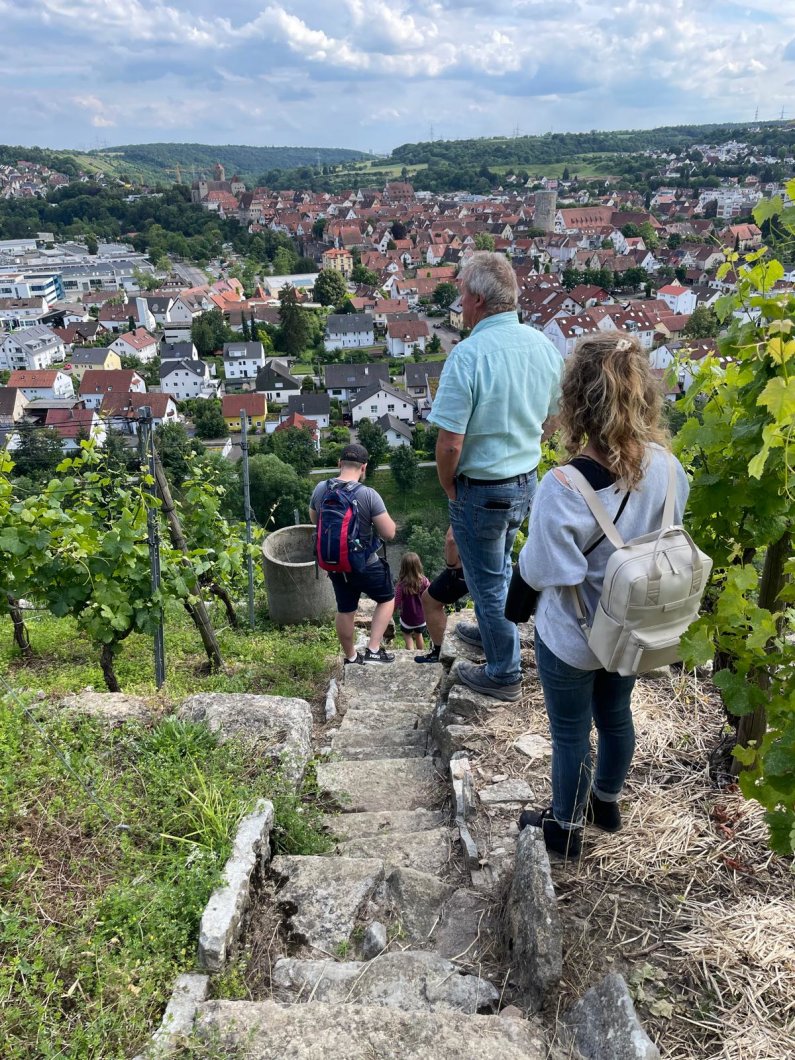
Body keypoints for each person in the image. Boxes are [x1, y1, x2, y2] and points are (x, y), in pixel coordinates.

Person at [516, 333, 689, 857]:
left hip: (575, 634)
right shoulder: (666, 467)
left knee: (571, 734)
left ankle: (565, 830)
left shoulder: (565, 486)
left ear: (575, 401)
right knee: (616, 716)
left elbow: (547, 569)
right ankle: (606, 803)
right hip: (633, 623)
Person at [428, 251, 563, 701]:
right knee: (500, 566)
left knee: (486, 580)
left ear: (480, 300)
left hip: (481, 489)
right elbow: (556, 416)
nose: (459, 303)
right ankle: (493, 634)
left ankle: (504, 674)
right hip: (527, 481)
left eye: (462, 293)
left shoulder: (467, 357)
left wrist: (449, 484)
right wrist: (533, 447)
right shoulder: (543, 345)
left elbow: (450, 443)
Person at [309, 443, 397, 665]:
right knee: (387, 599)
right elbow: (389, 533)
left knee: (346, 609)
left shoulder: (321, 488)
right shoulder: (368, 495)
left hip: (335, 564)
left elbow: (315, 520)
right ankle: (374, 650)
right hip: (365, 563)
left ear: (339, 464)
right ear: (364, 467)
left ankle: (351, 656)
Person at [415, 527, 469, 664]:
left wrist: (451, 566)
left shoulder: (464, 504)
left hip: (462, 569)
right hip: (491, 563)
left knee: (429, 600)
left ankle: (441, 652)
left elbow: (451, 539)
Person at [394, 552, 430, 650]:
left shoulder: (401, 585)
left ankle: (410, 655)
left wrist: (390, 613)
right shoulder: (424, 581)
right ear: (418, 566)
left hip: (407, 618)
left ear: (403, 567)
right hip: (421, 617)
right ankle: (421, 654)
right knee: (419, 635)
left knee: (407, 636)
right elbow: (431, 595)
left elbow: (396, 602)